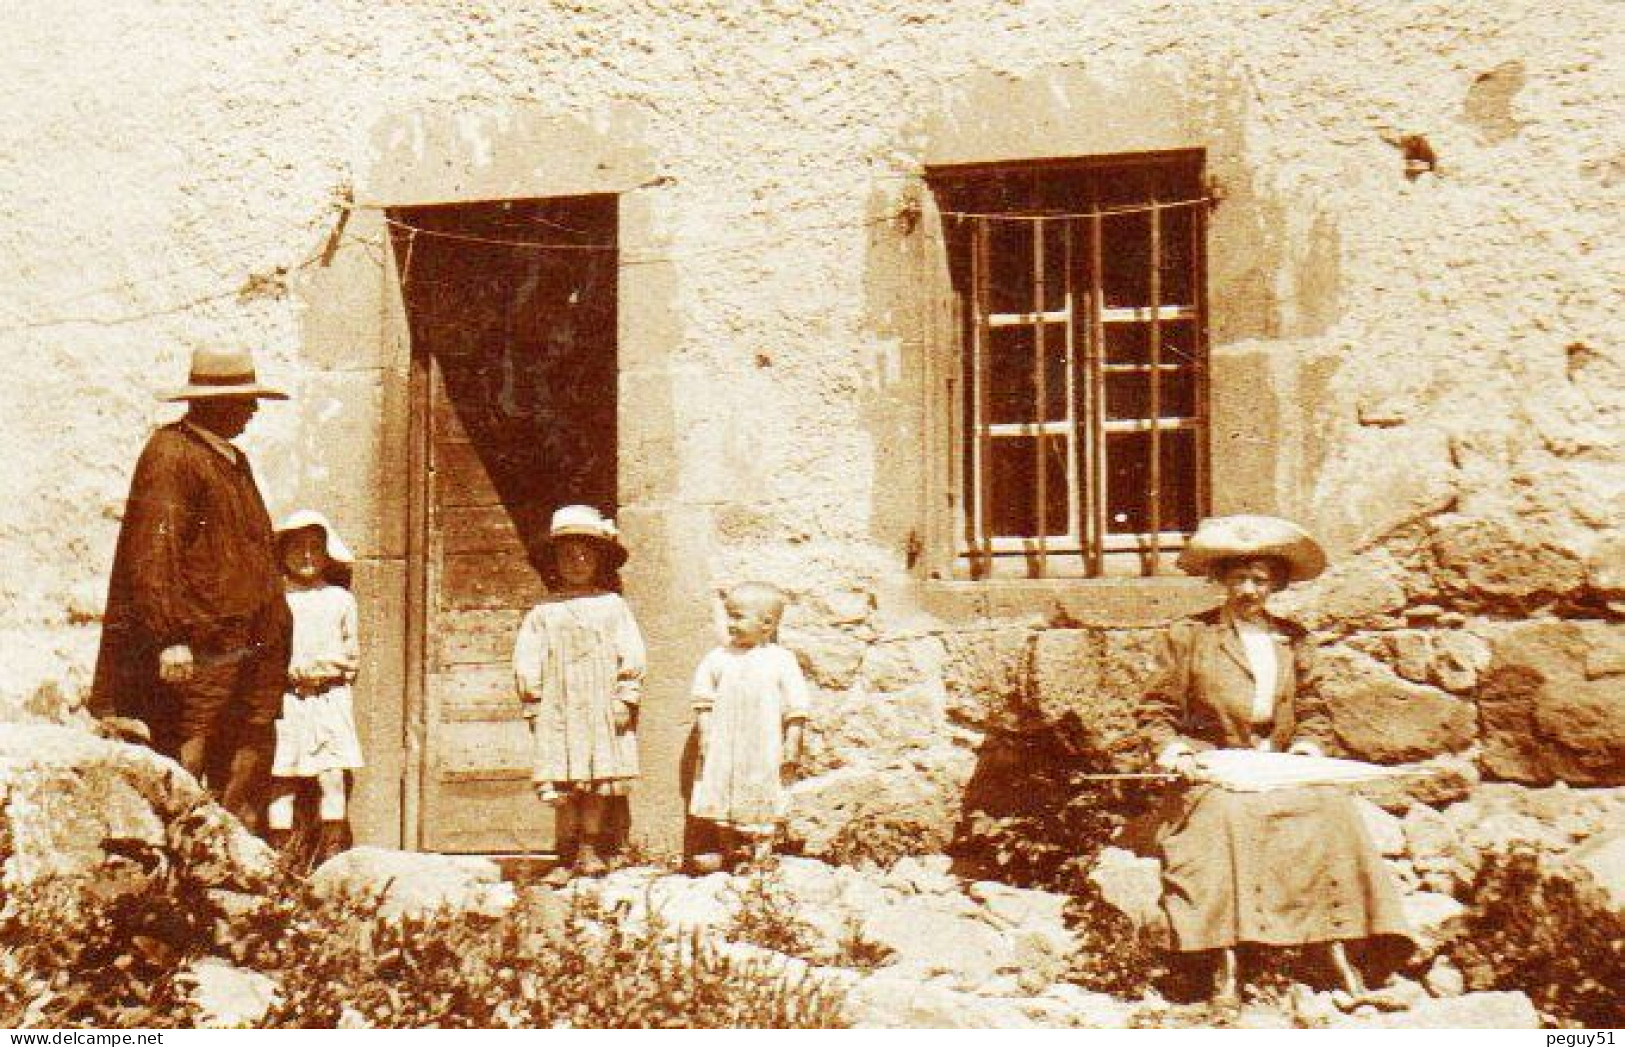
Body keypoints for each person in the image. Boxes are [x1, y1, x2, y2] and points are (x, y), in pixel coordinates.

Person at [1139, 515, 1411, 1010]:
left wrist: (1307, 748)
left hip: (1278, 765)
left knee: (1331, 810)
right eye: (1239, 578)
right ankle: (1224, 968)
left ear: (1276, 585)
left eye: (1260, 580)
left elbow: (1314, 710)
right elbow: (1155, 712)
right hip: (1214, 767)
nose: (1248, 589)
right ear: (1221, 581)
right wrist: (1176, 752)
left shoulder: (1293, 639)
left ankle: (1344, 958)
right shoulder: (1189, 637)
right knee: (1225, 818)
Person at [90, 347, 292, 833]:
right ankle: (178, 852)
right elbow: (152, 552)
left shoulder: (231, 461)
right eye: (243, 400)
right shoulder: (170, 454)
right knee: (189, 740)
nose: (253, 410)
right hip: (200, 642)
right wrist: (169, 636)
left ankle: (225, 853)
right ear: (210, 403)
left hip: (250, 639)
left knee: (249, 740)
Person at [512, 505, 646, 879]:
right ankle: (566, 851)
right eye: (567, 554)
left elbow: (631, 651)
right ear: (553, 561)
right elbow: (528, 657)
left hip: (599, 706)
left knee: (594, 774)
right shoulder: (544, 612)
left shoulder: (612, 607)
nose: (576, 560)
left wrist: (625, 695)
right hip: (558, 708)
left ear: (600, 559)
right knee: (563, 775)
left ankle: (591, 846)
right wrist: (534, 701)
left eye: (586, 553)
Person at [265, 510, 364, 867]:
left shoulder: (339, 600)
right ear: (283, 552)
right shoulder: (276, 598)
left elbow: (351, 655)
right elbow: (266, 653)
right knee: (282, 780)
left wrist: (323, 672)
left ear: (326, 553)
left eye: (315, 548)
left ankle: (331, 862)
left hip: (328, 700)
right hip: (288, 701)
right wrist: (290, 674)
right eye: (298, 548)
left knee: (331, 777)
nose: (307, 556)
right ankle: (282, 861)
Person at [689, 582, 810, 868]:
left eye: (738, 617)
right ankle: (729, 849)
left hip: (762, 743)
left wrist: (792, 741)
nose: (730, 623)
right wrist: (706, 734)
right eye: (728, 615)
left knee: (764, 789)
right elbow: (703, 698)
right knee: (721, 788)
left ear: (767, 624)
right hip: (724, 744)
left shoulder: (781, 660)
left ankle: (761, 852)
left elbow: (796, 706)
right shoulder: (718, 658)